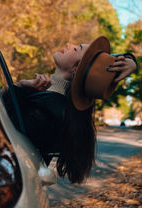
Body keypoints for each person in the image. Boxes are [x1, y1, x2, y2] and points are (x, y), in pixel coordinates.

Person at [10, 36, 137, 184]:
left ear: (76, 70)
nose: (69, 44)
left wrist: (19, 87)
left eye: (76, 49)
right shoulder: (52, 101)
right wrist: (130, 59)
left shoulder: (47, 108)